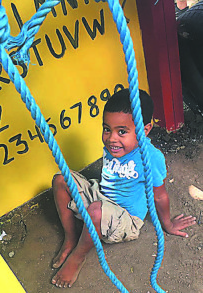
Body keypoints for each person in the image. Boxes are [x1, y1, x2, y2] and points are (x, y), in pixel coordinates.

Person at [51, 89, 197, 288]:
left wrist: (168, 225)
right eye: (106, 129)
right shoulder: (118, 145)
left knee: (95, 212)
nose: (111, 138)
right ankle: (71, 237)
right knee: (61, 180)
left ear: (145, 130)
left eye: (122, 131)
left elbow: (160, 196)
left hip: (126, 219)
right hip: (102, 199)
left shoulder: (150, 158)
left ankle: (78, 256)